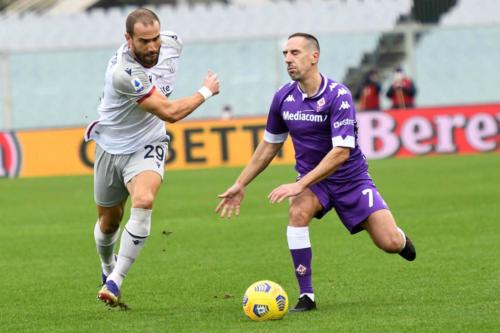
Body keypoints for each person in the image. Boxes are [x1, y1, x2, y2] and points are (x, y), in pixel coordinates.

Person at [215, 33, 415, 312]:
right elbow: (269, 146)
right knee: (297, 212)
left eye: (295, 53)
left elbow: (341, 153)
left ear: (314, 57)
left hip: (351, 181)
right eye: (285, 54)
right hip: (315, 182)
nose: (287, 59)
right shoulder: (283, 98)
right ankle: (306, 296)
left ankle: (400, 238)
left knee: (389, 242)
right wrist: (240, 183)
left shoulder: (339, 96)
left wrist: (300, 184)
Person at [84, 8, 219, 308]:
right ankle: (107, 268)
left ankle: (116, 281)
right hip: (110, 146)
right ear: (128, 39)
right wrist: (205, 92)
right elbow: (170, 112)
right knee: (109, 223)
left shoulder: (172, 44)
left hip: (147, 143)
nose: (152, 47)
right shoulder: (123, 72)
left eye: (155, 38)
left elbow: (163, 119)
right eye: (143, 41)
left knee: (143, 200)